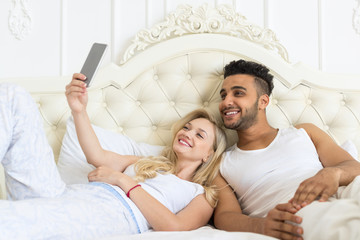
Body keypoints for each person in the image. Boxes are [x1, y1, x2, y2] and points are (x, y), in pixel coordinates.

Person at [0, 74, 227, 239]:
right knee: (13, 97)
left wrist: (124, 181)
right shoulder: (149, 163)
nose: (188, 133)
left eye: (200, 135)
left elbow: (174, 227)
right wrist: (79, 110)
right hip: (66, 194)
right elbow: (96, 155)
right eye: (187, 127)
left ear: (209, 153)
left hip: (111, 214)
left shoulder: (202, 194)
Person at [212, 60, 360, 240]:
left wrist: (334, 174)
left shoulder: (304, 132)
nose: (226, 102)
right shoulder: (221, 163)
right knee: (345, 224)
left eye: (238, 93)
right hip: (297, 210)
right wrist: (260, 226)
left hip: (344, 189)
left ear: (263, 101)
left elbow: (354, 166)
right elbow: (224, 216)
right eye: (223, 95)